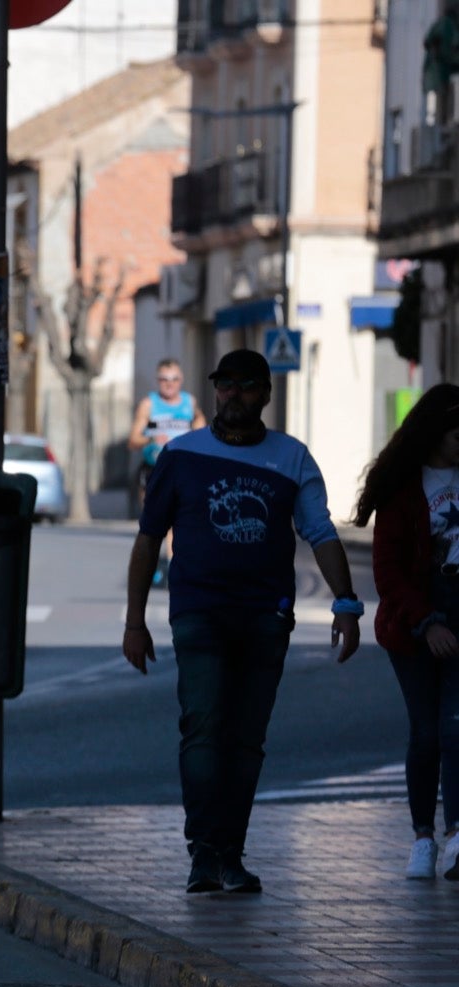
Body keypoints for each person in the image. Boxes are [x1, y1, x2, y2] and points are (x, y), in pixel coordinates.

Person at [122, 347, 361, 894]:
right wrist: (135, 622)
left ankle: (231, 853)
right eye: (223, 385)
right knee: (204, 726)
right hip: (198, 612)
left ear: (265, 394)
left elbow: (320, 533)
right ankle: (203, 853)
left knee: (247, 738)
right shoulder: (180, 456)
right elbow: (147, 541)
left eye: (244, 386)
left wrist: (345, 601)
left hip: (265, 616)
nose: (232, 395)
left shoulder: (292, 457)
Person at [354, 383, 459, 879]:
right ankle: (423, 837)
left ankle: (457, 834)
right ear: (438, 433)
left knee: (455, 728)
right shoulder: (403, 486)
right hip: (414, 619)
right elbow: (387, 570)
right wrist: (425, 622)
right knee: (426, 732)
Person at [129, 359, 204, 580]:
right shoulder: (149, 405)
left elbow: (202, 430)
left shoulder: (189, 404)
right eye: (164, 379)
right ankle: (151, 565)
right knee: (151, 523)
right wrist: (150, 438)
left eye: (174, 379)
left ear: (181, 381)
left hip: (182, 469)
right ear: (157, 381)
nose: (169, 384)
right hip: (153, 469)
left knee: (176, 520)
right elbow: (133, 440)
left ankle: (173, 566)